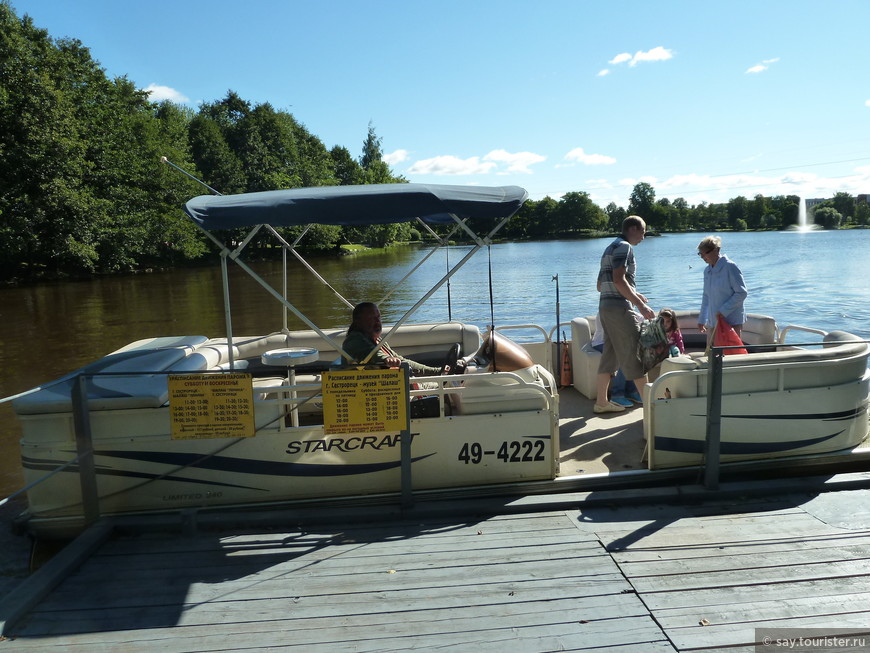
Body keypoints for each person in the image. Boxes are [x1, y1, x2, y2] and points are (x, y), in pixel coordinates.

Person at [594, 216, 656, 414]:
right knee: (636, 355)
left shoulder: (609, 248)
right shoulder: (625, 247)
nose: (644, 237)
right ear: (633, 229)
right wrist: (640, 306)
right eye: (643, 232)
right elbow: (619, 279)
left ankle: (602, 403)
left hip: (605, 307)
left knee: (609, 357)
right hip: (620, 309)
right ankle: (651, 409)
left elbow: (601, 285)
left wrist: (634, 293)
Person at [342, 302, 464, 375]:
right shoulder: (354, 341)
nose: (377, 322)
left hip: (394, 387)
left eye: (378, 317)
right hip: (372, 393)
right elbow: (374, 355)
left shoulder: (376, 340)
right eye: (371, 318)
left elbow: (400, 359)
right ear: (358, 322)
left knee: (449, 381)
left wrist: (436, 371)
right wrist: (388, 359)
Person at [697, 236, 748, 342]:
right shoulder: (707, 271)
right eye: (700, 254)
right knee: (711, 355)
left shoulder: (730, 267)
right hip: (713, 323)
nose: (702, 257)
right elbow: (706, 296)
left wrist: (723, 311)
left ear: (716, 250)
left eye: (704, 253)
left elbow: (742, 293)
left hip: (730, 322)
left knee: (731, 356)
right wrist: (702, 319)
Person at [591, 313, 640, 408]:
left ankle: (631, 391)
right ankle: (617, 395)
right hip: (601, 342)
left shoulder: (626, 309)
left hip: (619, 342)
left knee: (633, 356)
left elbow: (639, 318)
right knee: (621, 359)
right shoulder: (608, 310)